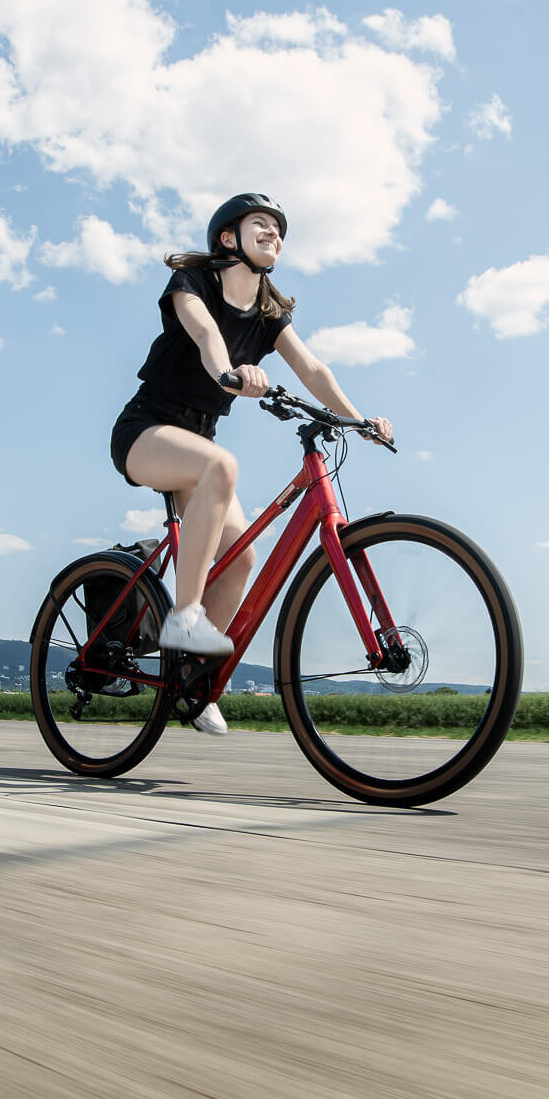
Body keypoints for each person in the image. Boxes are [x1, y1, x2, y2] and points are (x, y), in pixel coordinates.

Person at [108, 192, 393, 736]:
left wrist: (359, 420)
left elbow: (312, 369)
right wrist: (227, 373)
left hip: (198, 442)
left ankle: (192, 681)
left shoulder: (267, 314)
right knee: (221, 465)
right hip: (145, 430)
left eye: (279, 230)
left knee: (240, 557)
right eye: (260, 224)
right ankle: (184, 619)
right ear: (227, 237)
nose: (273, 234)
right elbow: (205, 333)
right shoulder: (194, 286)